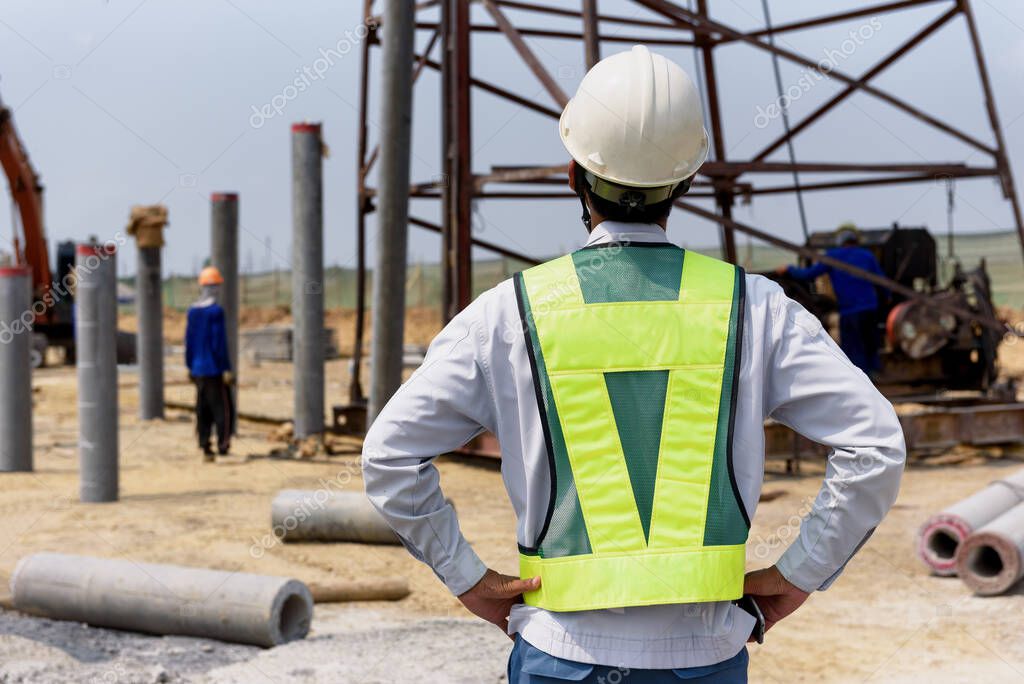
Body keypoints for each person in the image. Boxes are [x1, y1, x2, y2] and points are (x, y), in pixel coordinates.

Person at [363, 46, 905, 683]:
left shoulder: (509, 313)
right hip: (706, 657)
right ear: (686, 181)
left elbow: (389, 456)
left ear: (574, 174)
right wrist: (799, 573)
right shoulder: (755, 308)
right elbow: (876, 447)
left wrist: (467, 578)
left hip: (560, 655)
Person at [777, 226, 885, 374]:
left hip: (850, 311)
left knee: (854, 350)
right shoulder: (867, 256)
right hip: (870, 309)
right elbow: (882, 282)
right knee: (871, 346)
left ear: (840, 241)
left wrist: (789, 269)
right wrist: (887, 299)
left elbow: (807, 275)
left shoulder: (832, 256)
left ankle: (862, 379)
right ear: (856, 240)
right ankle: (876, 375)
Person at [185, 266, 234, 461]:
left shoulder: (192, 312)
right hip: (214, 369)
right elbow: (218, 342)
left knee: (202, 408)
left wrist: (189, 365)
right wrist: (226, 367)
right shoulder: (216, 312)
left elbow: (189, 341)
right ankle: (223, 444)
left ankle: (205, 444)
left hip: (198, 369)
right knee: (223, 408)